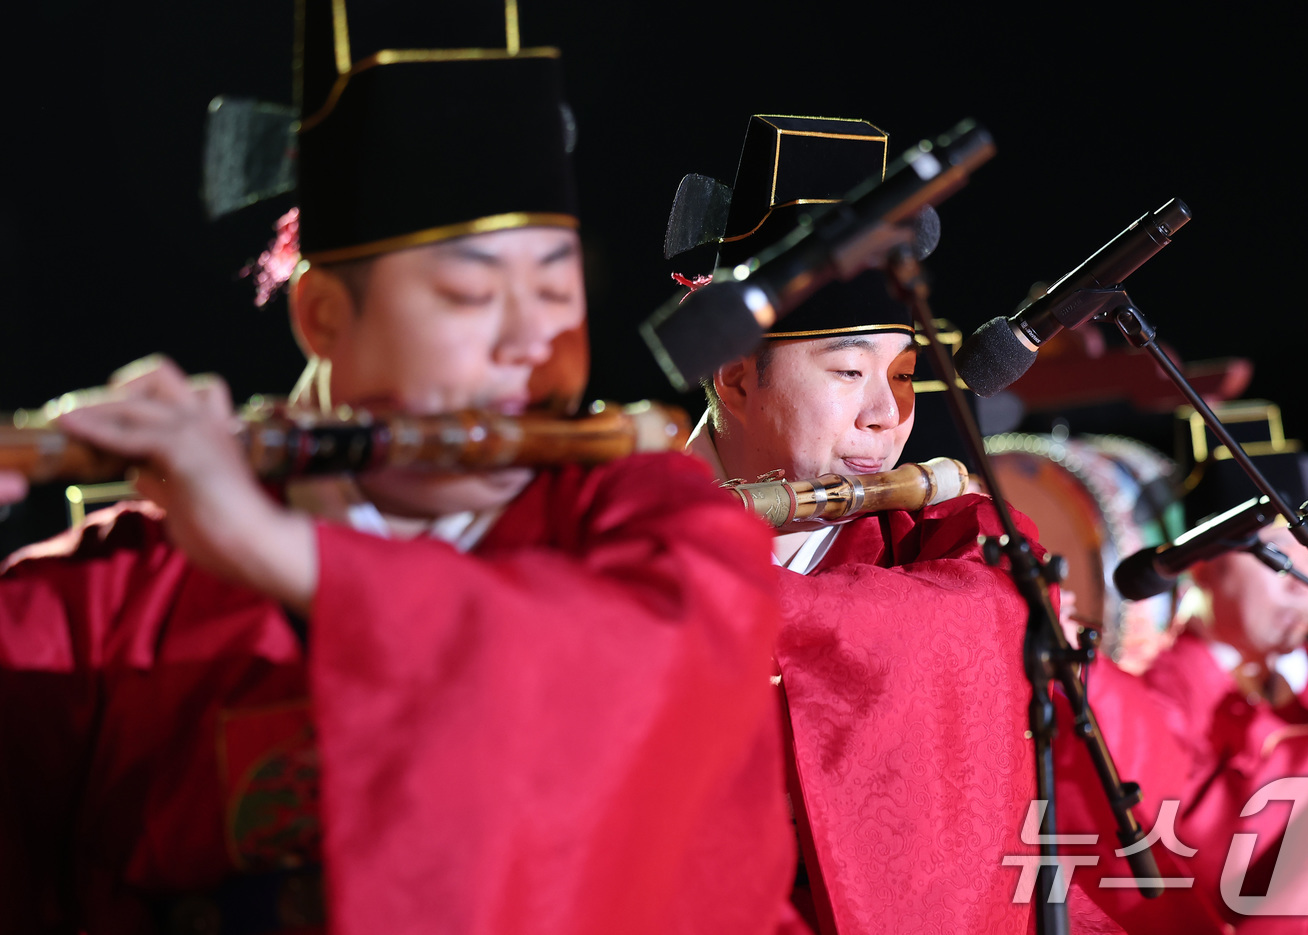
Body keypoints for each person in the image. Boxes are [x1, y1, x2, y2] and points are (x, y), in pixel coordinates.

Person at [0, 6, 799, 934]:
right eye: (469, 294)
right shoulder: (115, 593)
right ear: (325, 321)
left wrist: (278, 553)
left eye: (557, 289)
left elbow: (646, 675)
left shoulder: (659, 522)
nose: (532, 342)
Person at [667, 113, 1124, 935]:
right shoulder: (611, 524)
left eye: (906, 372)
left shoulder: (935, 536)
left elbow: (1001, 609)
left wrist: (754, 601)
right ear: (735, 378)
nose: (890, 414)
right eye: (848, 371)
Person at [1052, 403, 1308, 934]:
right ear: (1202, 569)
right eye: (1277, 554)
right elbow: (1203, 857)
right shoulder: (1163, 690)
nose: (1302, 576)